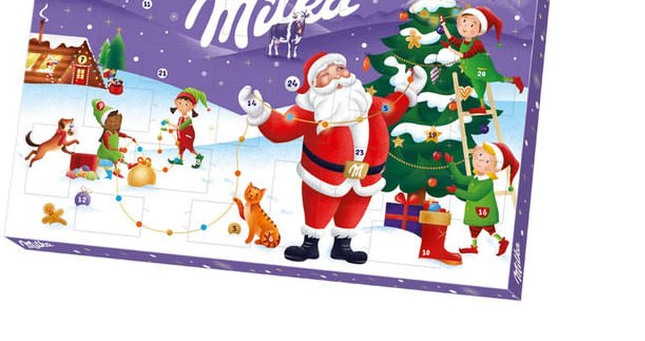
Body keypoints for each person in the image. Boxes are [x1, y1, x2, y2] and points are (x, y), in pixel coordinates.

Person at [238, 52, 427, 264]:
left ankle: (343, 246)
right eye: (325, 75)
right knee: (319, 207)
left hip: (365, 176)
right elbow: (283, 127)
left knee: (354, 208)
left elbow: (391, 108)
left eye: (339, 69)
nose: (336, 77)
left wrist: (410, 89)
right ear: (314, 85)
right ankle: (310, 244)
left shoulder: (368, 104)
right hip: (324, 176)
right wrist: (259, 112)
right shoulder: (311, 111)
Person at [443, 142, 520, 256]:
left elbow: (475, 196)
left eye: (486, 161)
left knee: (490, 230)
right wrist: (451, 163)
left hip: (484, 212)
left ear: (493, 167)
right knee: (473, 229)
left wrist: (456, 191)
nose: (479, 161)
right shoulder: (475, 178)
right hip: (475, 213)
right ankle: (474, 247)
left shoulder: (487, 183)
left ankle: (502, 241)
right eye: (479, 157)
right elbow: (460, 179)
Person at [438, 7, 524, 102]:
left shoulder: (477, 43)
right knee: (478, 88)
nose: (465, 26)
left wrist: (450, 48)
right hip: (472, 72)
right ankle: (482, 105)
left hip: (483, 69)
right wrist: (444, 25)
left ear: (479, 31)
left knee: (497, 77)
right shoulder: (464, 41)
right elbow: (452, 39)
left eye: (471, 25)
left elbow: (466, 55)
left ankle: (514, 80)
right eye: (464, 21)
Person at [168, 87, 209, 169]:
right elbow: (178, 128)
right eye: (180, 103)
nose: (182, 107)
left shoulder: (188, 119)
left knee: (190, 149)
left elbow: (180, 127)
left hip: (187, 137)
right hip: (181, 137)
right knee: (180, 148)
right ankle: (180, 160)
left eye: (186, 104)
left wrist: (170, 125)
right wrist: (169, 127)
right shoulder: (180, 118)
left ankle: (199, 157)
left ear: (192, 106)